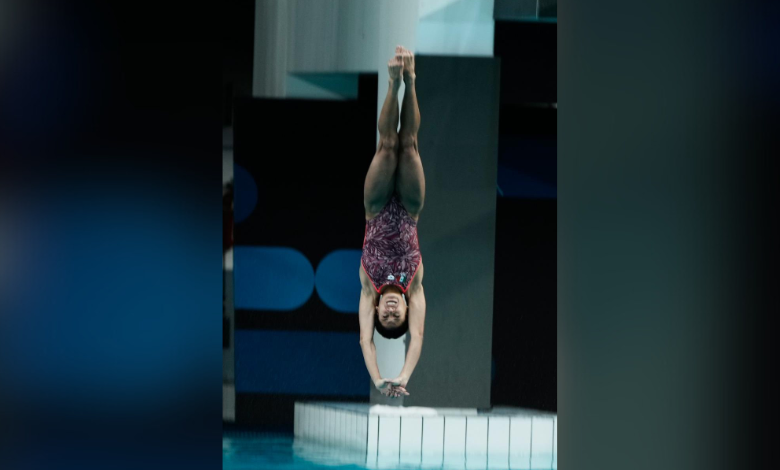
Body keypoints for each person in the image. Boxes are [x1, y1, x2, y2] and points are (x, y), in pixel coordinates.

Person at [359, 46, 426, 399]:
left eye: (384, 318)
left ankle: (392, 82)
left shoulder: (368, 288)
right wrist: (404, 375)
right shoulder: (414, 287)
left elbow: (364, 339)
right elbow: (418, 336)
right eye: (395, 318)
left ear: (376, 310)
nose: (389, 313)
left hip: (376, 207)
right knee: (409, 145)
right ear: (404, 310)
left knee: (387, 145)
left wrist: (378, 378)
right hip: (410, 209)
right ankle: (410, 80)